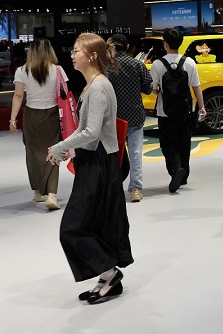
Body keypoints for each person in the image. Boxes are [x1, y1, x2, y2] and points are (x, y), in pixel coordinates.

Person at [47, 33, 133, 304]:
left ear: (92, 56)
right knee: (94, 224)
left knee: (72, 227)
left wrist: (60, 147)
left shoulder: (97, 88)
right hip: (95, 160)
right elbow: (88, 131)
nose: (72, 55)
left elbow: (92, 132)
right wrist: (67, 149)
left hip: (98, 163)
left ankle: (109, 273)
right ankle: (108, 279)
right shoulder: (93, 85)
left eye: (77, 51)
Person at [11, 38, 65, 210]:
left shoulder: (22, 70)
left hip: (32, 115)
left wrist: (12, 119)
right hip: (52, 115)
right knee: (53, 151)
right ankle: (52, 194)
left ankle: (37, 191)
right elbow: (64, 95)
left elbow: (18, 96)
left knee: (33, 152)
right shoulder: (58, 70)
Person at [149, 28, 205, 193]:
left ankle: (175, 169)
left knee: (167, 143)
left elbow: (152, 88)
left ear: (165, 43)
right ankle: (184, 175)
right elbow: (196, 87)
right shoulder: (190, 62)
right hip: (186, 110)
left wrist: (161, 93)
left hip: (165, 111)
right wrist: (202, 107)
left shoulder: (158, 64)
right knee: (184, 142)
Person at [106, 34, 152, 203]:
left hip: (113, 118)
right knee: (135, 154)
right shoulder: (137, 64)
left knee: (113, 154)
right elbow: (148, 88)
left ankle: (112, 188)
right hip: (135, 115)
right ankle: (135, 189)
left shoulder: (105, 66)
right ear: (127, 47)